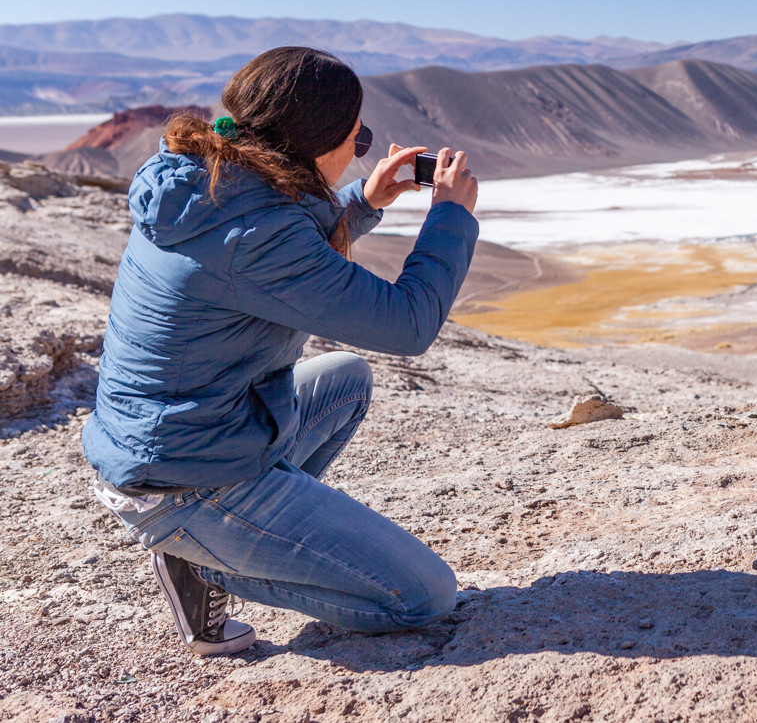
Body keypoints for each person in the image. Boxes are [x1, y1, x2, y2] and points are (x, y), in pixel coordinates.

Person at [82, 46, 479, 655]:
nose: (359, 148)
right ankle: (205, 558)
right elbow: (408, 325)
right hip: (186, 480)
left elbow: (268, 246)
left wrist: (365, 201)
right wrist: (450, 215)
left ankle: (244, 535)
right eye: (357, 138)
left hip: (178, 440)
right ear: (314, 144)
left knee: (344, 379)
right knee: (424, 597)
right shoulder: (256, 234)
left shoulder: (205, 179)